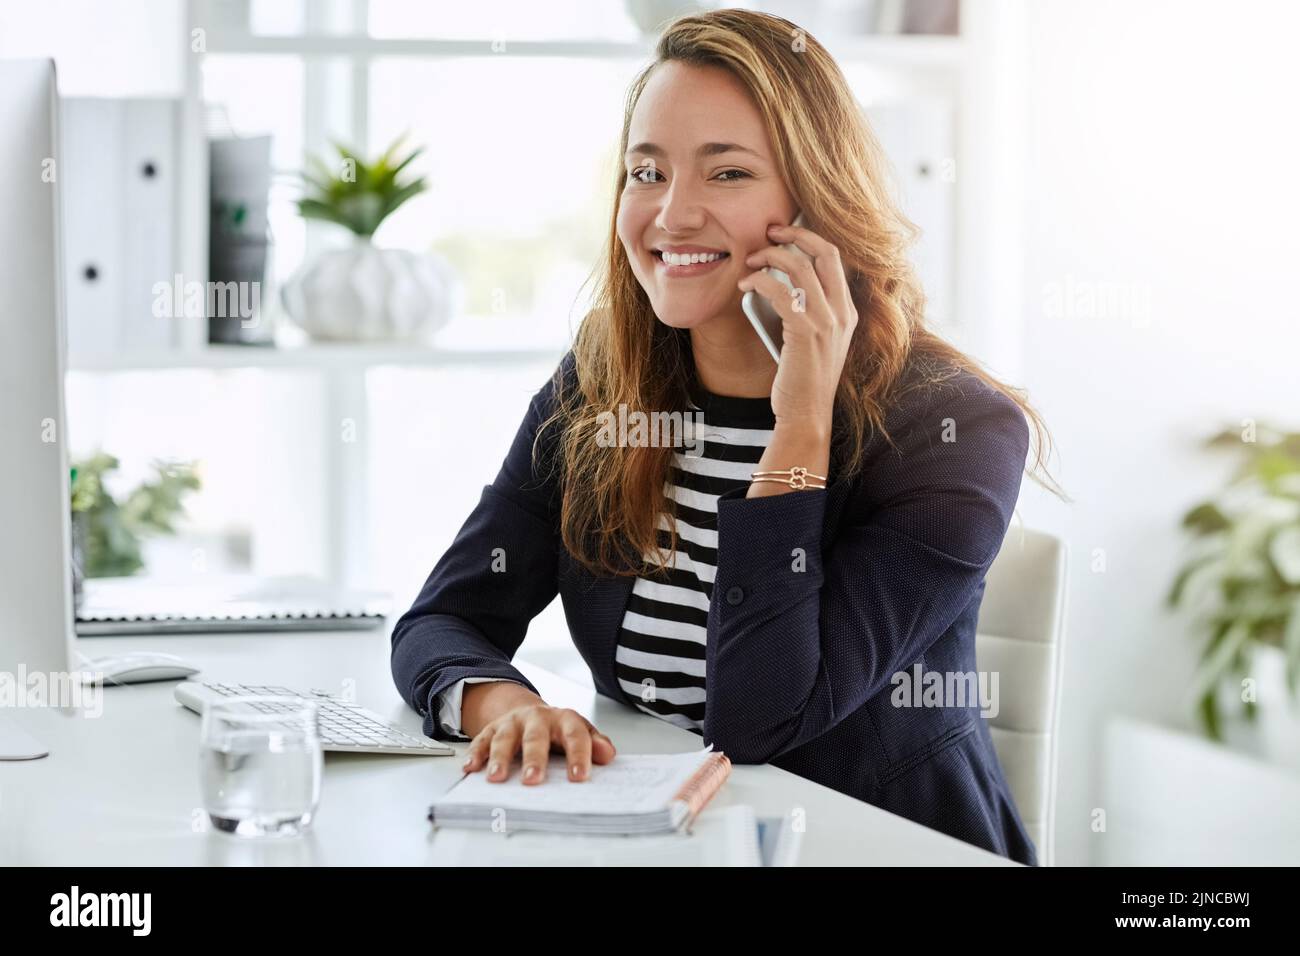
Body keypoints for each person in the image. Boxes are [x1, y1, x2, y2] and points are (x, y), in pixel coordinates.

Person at [391, 9, 1062, 865]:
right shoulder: (604, 380)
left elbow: (759, 718)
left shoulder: (954, 430)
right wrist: (503, 706)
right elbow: (446, 616)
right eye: (647, 171)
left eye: (728, 172)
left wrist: (802, 420)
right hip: (668, 842)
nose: (671, 216)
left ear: (817, 202)